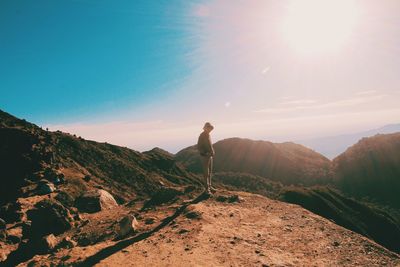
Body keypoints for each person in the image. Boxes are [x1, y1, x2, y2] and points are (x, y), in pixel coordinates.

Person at [197, 122, 215, 194]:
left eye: (210, 128)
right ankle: (206, 189)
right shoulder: (202, 135)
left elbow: (210, 145)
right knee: (206, 173)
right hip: (205, 156)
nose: (210, 129)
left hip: (209, 156)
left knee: (210, 172)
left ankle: (210, 186)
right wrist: (205, 153)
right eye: (209, 128)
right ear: (205, 128)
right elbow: (199, 147)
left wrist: (212, 151)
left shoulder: (208, 135)